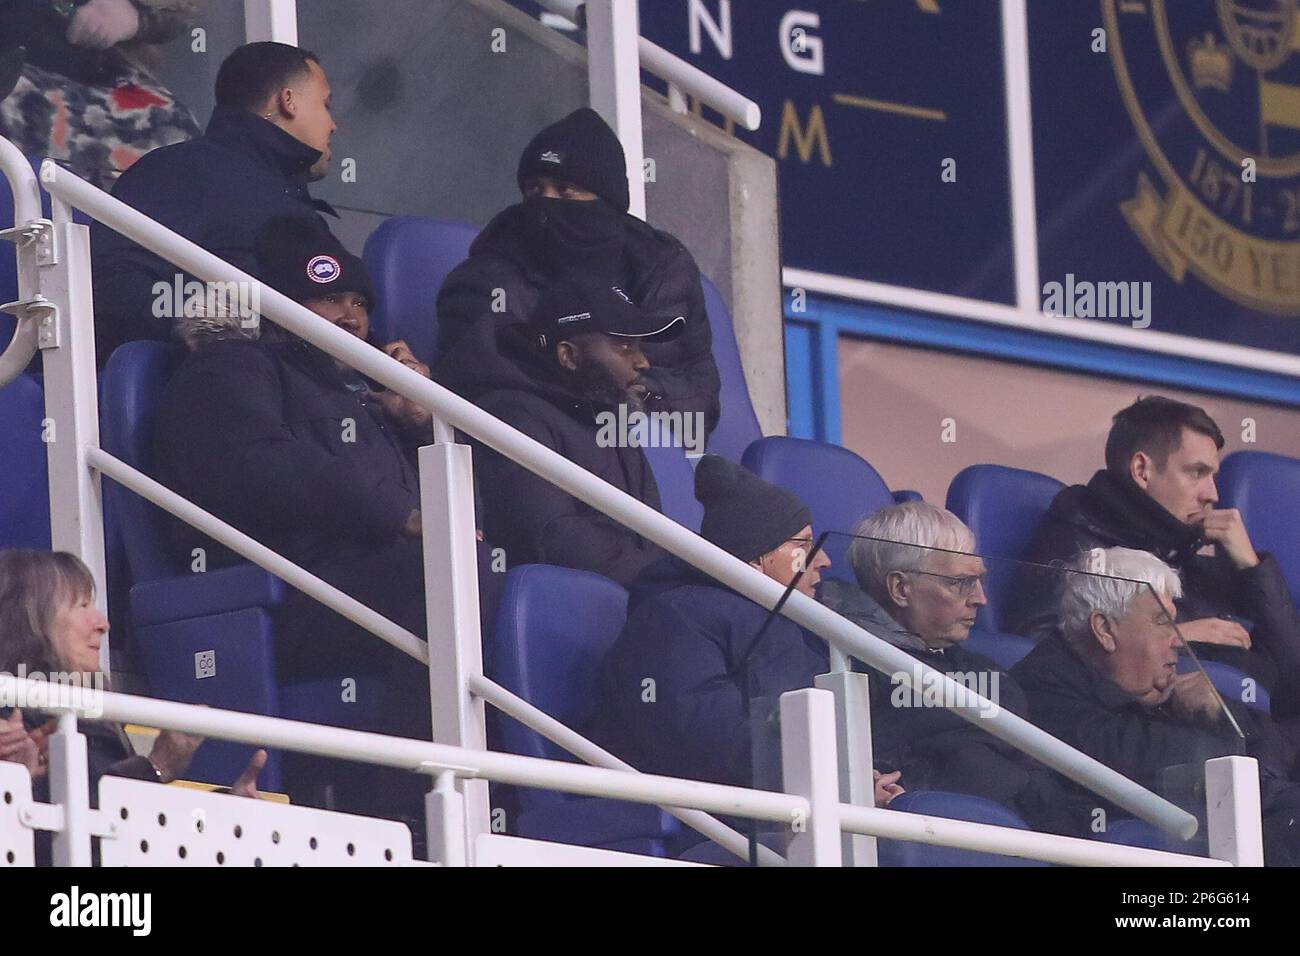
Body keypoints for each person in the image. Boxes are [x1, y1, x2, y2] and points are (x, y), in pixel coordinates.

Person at [436, 107, 721, 437]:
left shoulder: (659, 266)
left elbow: (699, 397)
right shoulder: (486, 278)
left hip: (660, 448)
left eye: (565, 189)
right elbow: (488, 384)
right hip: (549, 451)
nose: (547, 204)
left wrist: (633, 404)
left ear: (606, 201)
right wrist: (607, 398)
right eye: (534, 190)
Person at [1005, 396, 1300, 712]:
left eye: (1212, 476)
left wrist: (1251, 567)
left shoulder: (1186, 552)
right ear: (1142, 470)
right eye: (1196, 472)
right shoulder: (1078, 543)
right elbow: (1037, 655)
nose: (1212, 494)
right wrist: (1173, 636)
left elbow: (1292, 672)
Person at [1012, 547, 1300, 865]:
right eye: (1162, 623)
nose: (1178, 640)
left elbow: (1280, 747)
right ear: (1105, 630)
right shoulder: (1040, 691)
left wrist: (1221, 715)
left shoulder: (1161, 692)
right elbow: (1151, 756)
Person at [819, 502, 1092, 836]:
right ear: (901, 589)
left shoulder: (994, 678)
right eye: (961, 583)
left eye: (979, 581)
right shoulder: (838, 666)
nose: (981, 599)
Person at [0, 549, 264, 862]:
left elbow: (147, 833)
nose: (103, 623)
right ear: (30, 621)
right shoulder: (12, 731)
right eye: (82, 605)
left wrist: (228, 813)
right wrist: (155, 766)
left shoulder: (97, 719)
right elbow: (78, 840)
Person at [593, 455, 832, 792]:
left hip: (804, 805)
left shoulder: (803, 621)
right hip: (718, 827)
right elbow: (714, 746)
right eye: (802, 545)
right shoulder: (676, 620)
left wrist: (869, 775)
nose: (823, 560)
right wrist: (833, 776)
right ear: (756, 559)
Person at [91, 40, 338, 365]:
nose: (333, 125)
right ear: (288, 101)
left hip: (313, 400)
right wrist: (213, 322)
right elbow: (109, 280)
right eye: (326, 105)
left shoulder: (298, 203)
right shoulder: (183, 171)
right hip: (228, 391)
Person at [438, 277, 681, 585]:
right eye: (624, 346)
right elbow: (550, 537)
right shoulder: (511, 415)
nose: (642, 362)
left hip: (632, 597)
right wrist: (664, 577)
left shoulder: (611, 417)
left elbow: (652, 533)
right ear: (569, 355)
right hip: (561, 609)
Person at [0, 0, 203, 190]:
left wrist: (135, 12)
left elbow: (183, 6)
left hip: (98, 69)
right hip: (13, 72)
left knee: (176, 136)